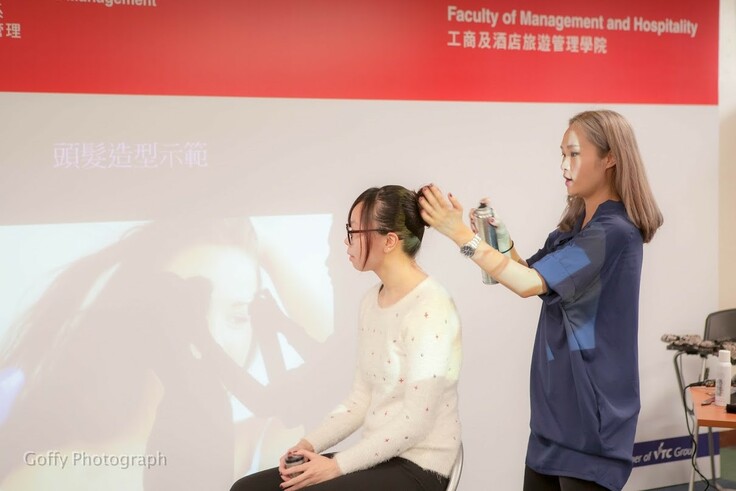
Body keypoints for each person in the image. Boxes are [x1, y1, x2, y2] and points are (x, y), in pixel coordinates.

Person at [418, 109, 663, 491]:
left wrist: (460, 235)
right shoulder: (577, 229)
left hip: (590, 423)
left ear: (610, 158)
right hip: (554, 418)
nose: (564, 166)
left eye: (574, 154)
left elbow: (527, 283)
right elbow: (531, 274)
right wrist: (499, 242)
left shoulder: (613, 233)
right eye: (561, 155)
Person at [0, 217, 334, 490]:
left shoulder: (270, 445)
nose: (212, 336)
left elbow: (341, 365)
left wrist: (265, 245)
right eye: (188, 309)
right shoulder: (53, 478)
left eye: (238, 315)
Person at [229, 185, 463, 491]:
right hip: (379, 458)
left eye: (354, 231)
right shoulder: (371, 301)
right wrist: (307, 445)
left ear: (389, 241)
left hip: (420, 467)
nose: (347, 240)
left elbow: (416, 422)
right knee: (248, 489)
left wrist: (335, 467)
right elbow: (360, 399)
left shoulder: (430, 306)